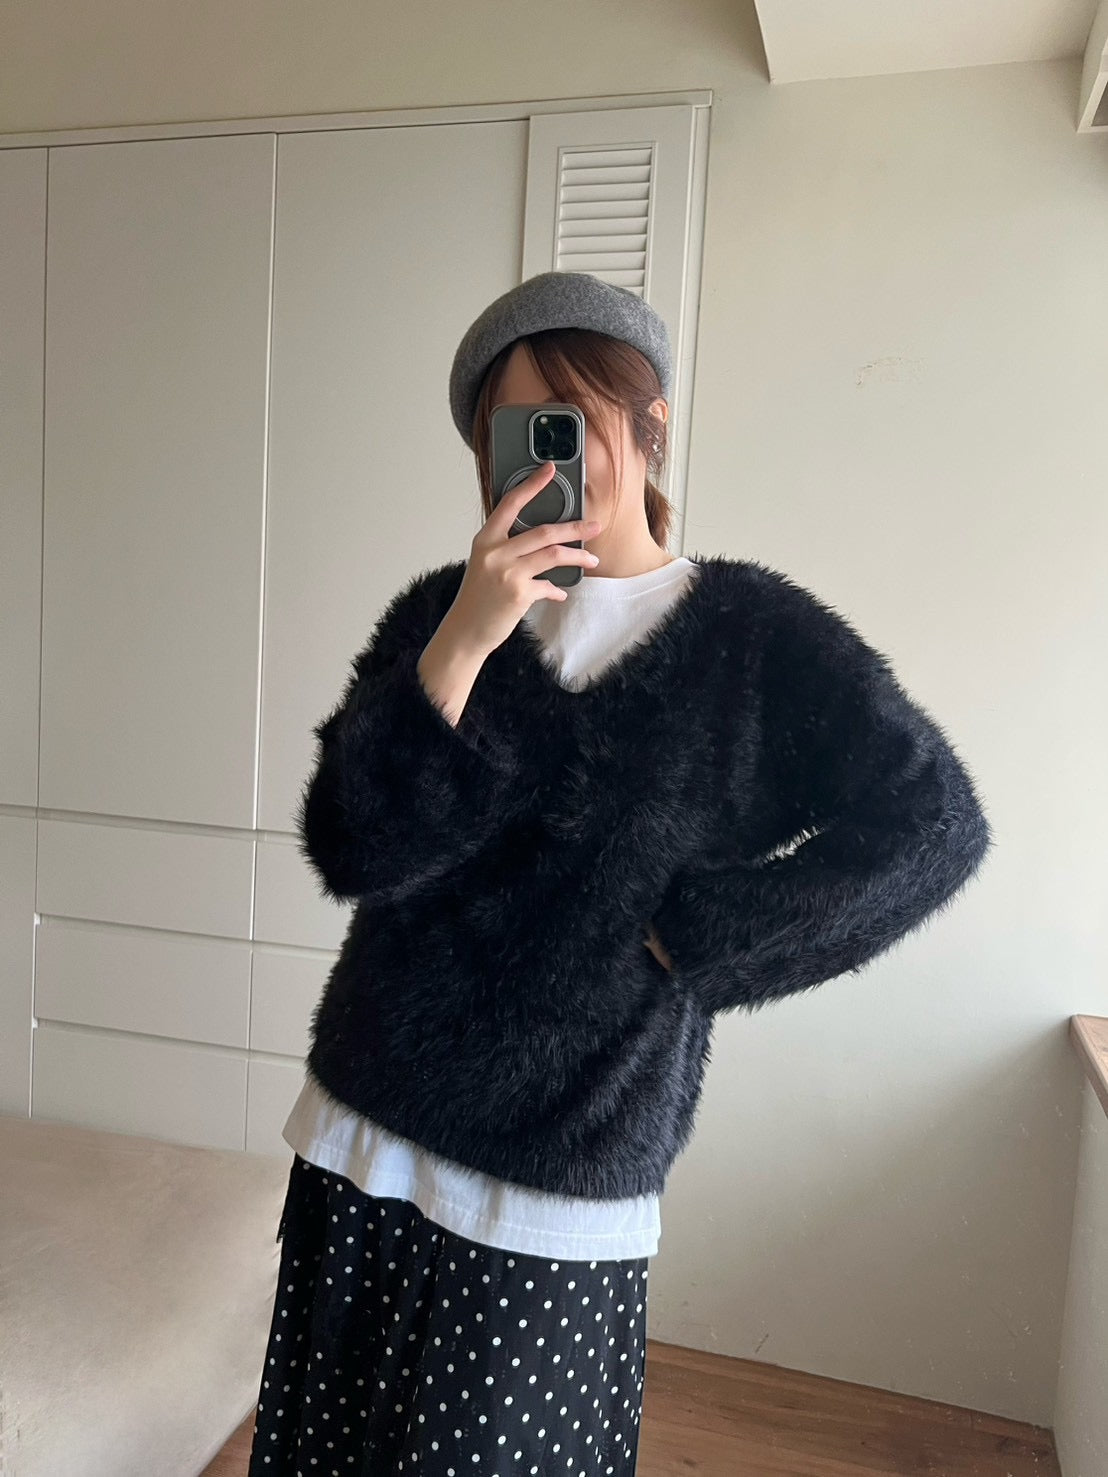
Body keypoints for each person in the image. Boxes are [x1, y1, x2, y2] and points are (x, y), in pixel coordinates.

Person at [247, 272, 993, 1476]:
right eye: (515, 433)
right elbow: (353, 845)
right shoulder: (443, 613)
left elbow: (933, 824)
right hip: (361, 1127)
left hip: (563, 1164)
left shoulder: (755, 639)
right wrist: (466, 637)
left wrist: (699, 935)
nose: (549, 459)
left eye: (574, 420)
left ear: (650, 428)